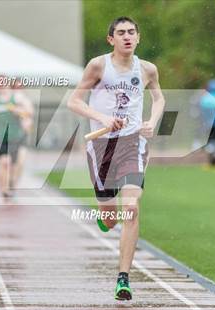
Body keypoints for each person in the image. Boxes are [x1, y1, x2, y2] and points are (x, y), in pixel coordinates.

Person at [68, 16, 165, 300]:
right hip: (101, 146)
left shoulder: (147, 69)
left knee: (132, 208)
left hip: (133, 143)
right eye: (120, 33)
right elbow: (74, 100)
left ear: (138, 37)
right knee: (111, 218)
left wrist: (152, 121)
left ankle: (123, 278)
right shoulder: (98, 66)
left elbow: (159, 98)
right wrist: (103, 118)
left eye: (131, 32)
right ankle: (106, 217)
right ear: (111, 39)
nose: (127, 37)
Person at [0, 75, 34, 199]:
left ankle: (12, 184)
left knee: (19, 164)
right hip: (2, 136)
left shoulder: (17, 96)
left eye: (3, 83)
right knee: (5, 163)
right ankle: (5, 190)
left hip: (18, 135)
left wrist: (18, 111)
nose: (0, 86)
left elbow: (29, 111)